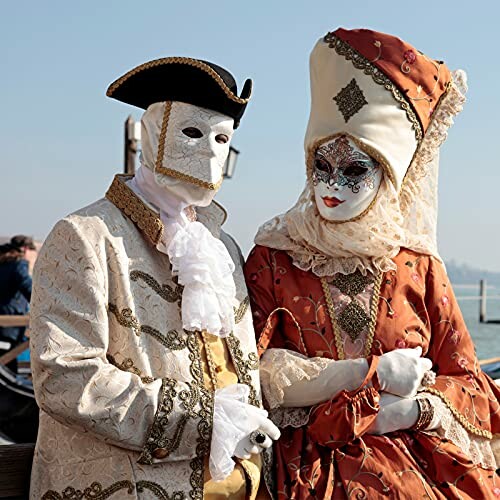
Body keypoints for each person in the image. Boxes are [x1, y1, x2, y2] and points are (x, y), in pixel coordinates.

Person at [244, 28, 500, 498]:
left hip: (419, 465)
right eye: (321, 165)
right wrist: (368, 374)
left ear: (386, 175)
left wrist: (414, 411)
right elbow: (247, 371)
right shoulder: (274, 258)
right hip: (303, 470)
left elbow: (472, 384)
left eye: (354, 169)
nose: (331, 184)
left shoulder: (418, 267)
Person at [29, 57, 279, 499]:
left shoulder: (224, 250)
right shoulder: (86, 236)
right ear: (151, 134)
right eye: (192, 133)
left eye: (223, 139)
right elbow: (65, 376)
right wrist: (204, 421)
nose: (209, 152)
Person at [0, 235, 36, 373]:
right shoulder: (18, 265)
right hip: (9, 329)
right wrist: (45, 303)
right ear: (27, 249)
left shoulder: (3, 263)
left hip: (4, 329)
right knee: (9, 369)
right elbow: (28, 288)